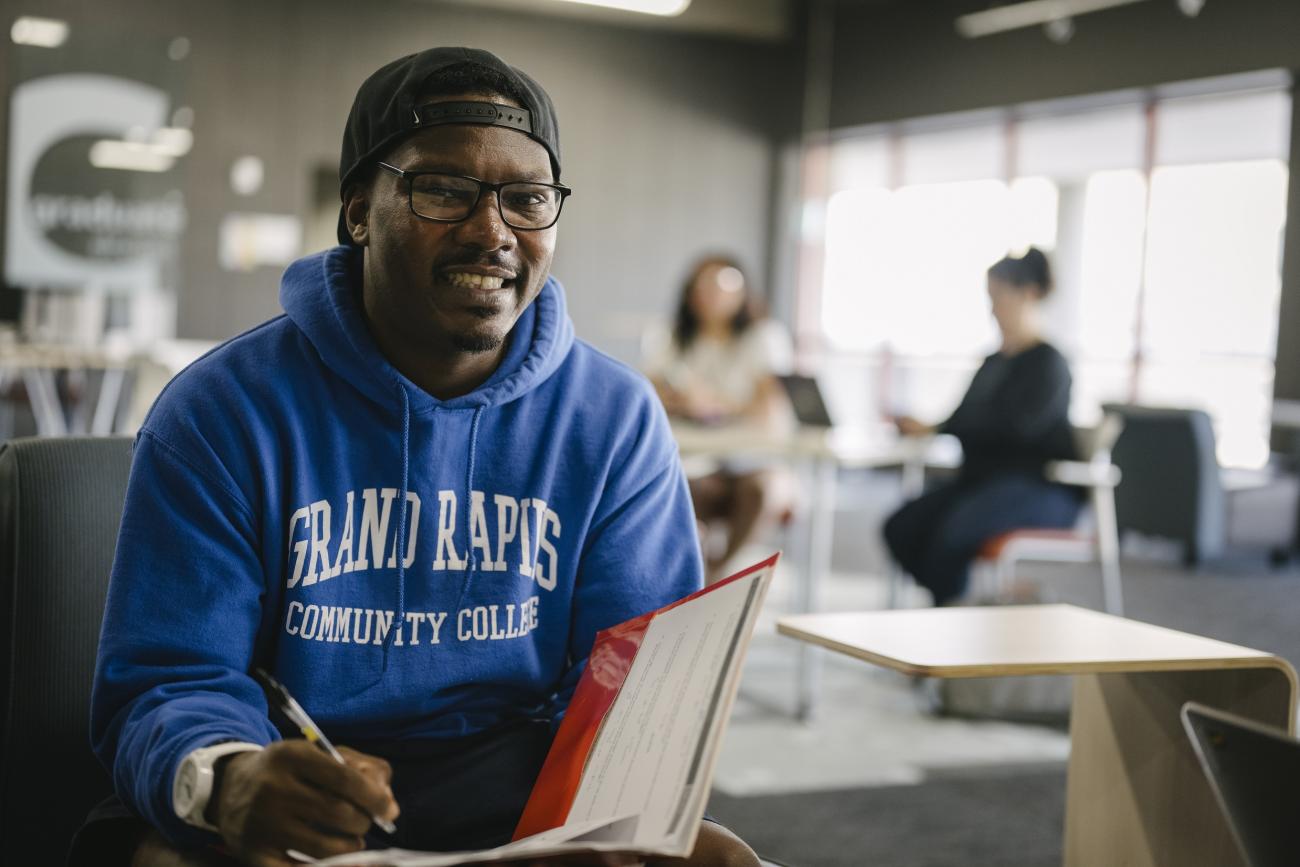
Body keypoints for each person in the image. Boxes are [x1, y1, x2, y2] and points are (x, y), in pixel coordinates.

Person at [80, 47, 760, 867]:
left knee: (723, 859)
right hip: (297, 778)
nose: (492, 231)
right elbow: (169, 678)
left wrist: (610, 809)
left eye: (527, 199)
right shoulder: (222, 410)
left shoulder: (613, 418)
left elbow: (639, 686)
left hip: (517, 789)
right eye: (442, 189)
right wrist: (228, 780)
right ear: (359, 212)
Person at [883, 247, 1082, 606]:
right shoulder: (992, 362)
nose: (993, 310)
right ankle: (958, 604)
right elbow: (964, 419)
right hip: (981, 482)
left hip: (1037, 489)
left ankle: (962, 609)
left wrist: (957, 426)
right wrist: (929, 428)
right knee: (902, 527)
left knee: (953, 531)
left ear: (1028, 294)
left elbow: (1015, 428)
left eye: (999, 297)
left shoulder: (1049, 364)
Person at [644, 256, 796, 584]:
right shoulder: (671, 336)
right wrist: (685, 403)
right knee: (677, 488)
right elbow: (652, 393)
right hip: (698, 458)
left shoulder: (764, 337)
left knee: (761, 490)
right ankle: (693, 570)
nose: (713, 296)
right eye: (705, 287)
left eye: (724, 287)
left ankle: (720, 572)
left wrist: (716, 407)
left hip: (756, 458)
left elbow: (769, 406)